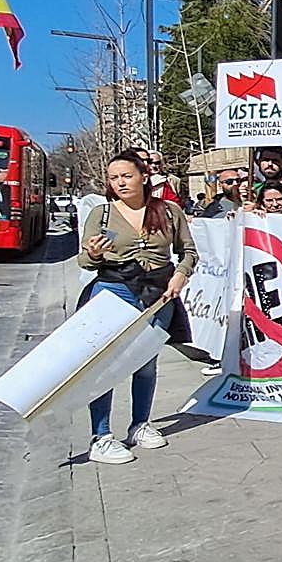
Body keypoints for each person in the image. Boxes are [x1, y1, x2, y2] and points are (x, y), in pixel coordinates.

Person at [78, 150, 198, 465]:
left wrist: (181, 275)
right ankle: (100, 436)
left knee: (145, 363)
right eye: (114, 178)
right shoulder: (102, 215)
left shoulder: (169, 212)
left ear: (143, 176)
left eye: (126, 176)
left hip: (158, 294)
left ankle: (139, 425)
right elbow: (85, 261)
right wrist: (93, 253)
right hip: (115, 290)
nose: (120, 183)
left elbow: (187, 251)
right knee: (104, 364)